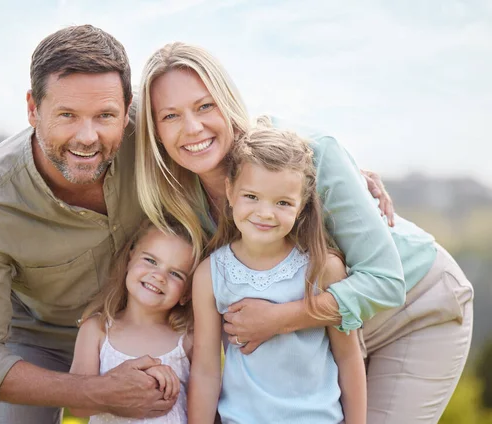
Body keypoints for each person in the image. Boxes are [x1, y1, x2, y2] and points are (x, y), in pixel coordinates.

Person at [135, 42, 474, 423]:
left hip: (412, 307)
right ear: (155, 131)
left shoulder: (312, 154)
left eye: (204, 106)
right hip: (319, 343)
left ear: (227, 101)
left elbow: (386, 281)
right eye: (170, 116)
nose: (192, 127)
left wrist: (279, 319)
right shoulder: (179, 197)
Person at [0, 25, 178, 424]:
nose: (87, 138)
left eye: (106, 115)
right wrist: (97, 391)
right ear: (33, 108)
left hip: (156, 319)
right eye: (67, 115)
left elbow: (231, 149)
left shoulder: (160, 127)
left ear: (128, 108)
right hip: (43, 338)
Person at [189, 120, 367, 423]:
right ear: (230, 192)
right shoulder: (210, 275)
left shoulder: (323, 268)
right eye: (251, 197)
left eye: (282, 202)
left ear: (301, 206)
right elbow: (206, 369)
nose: (265, 213)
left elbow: (348, 357)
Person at [69, 218, 195, 424]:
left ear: (186, 294)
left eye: (175, 274)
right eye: (151, 261)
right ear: (130, 258)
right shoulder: (96, 329)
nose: (159, 276)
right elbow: (77, 405)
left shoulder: (188, 339)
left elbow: (207, 405)